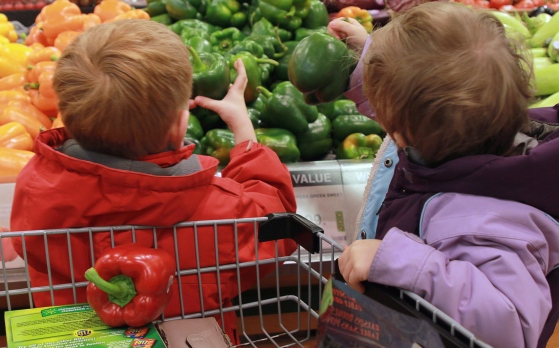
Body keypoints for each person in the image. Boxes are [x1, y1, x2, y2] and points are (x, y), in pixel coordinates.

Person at [10, 19, 297, 344]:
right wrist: (244, 132)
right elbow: (276, 222)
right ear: (179, 126)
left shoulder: (34, 186)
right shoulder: (216, 206)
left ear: (65, 109)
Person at [328, 3, 559, 347]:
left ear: (404, 130)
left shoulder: (488, 222)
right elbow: (423, 105)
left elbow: (511, 325)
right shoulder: (455, 140)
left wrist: (401, 261)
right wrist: (368, 60)